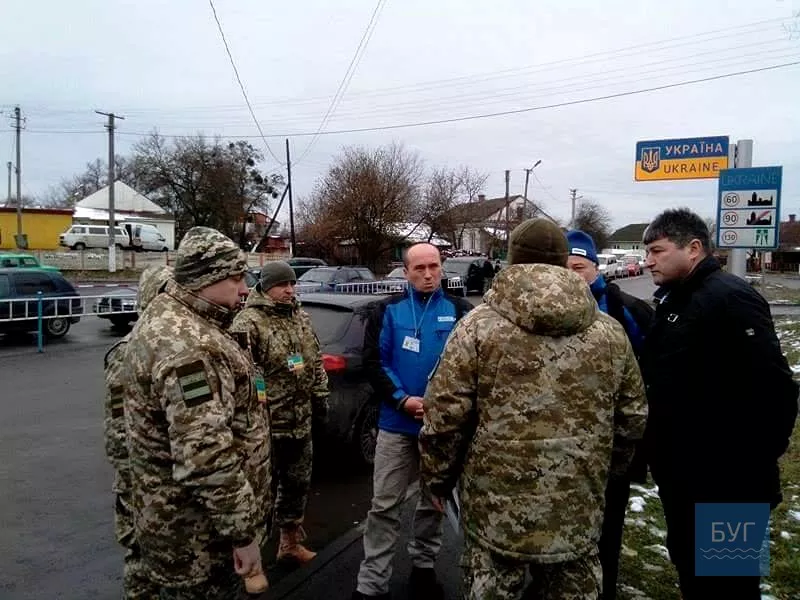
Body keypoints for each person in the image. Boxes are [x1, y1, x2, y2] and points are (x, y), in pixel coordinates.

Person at [419, 218, 648, 600]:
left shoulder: (476, 328)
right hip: (576, 505)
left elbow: (444, 415)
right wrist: (606, 472)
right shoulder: (608, 332)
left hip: (496, 512)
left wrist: (437, 479)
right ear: (562, 261)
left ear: (512, 260)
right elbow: (632, 416)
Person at [639, 208, 798, 600]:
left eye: (657, 251)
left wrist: (748, 465)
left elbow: (776, 390)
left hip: (730, 485)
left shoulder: (731, 298)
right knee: (694, 576)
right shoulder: (678, 299)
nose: (648, 261)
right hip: (685, 477)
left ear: (693, 249)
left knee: (729, 585)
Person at [122, 226, 272, 598]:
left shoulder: (173, 314)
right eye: (236, 277)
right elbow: (206, 456)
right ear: (206, 278)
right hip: (198, 538)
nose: (244, 288)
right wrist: (243, 534)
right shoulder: (191, 348)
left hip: (179, 525)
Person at [352, 242, 473, 600]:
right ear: (405, 272)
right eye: (418, 268)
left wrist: (441, 406)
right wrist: (402, 400)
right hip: (396, 425)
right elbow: (375, 362)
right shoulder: (386, 311)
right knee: (384, 505)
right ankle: (372, 583)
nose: (427, 274)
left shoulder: (460, 311)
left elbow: (466, 368)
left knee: (431, 501)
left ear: (442, 267)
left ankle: (423, 567)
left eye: (433, 266)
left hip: (440, 430)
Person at [566, 229, 653, 600]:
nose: (572, 275)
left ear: (595, 268)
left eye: (579, 267)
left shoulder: (627, 311)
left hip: (612, 444)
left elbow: (647, 378)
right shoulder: (555, 313)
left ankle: (603, 589)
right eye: (564, 267)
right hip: (568, 444)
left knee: (607, 528)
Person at [231, 261, 329, 566]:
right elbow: (247, 375)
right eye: (282, 285)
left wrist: (320, 397)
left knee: (297, 484)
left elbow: (314, 361)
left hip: (300, 421)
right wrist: (261, 408)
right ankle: (251, 562)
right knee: (260, 493)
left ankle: (289, 543)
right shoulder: (248, 322)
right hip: (268, 425)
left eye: (292, 284)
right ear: (266, 286)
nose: (289, 290)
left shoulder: (299, 316)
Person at [103, 264, 173, 599]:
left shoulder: (166, 341)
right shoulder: (132, 351)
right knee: (142, 562)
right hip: (140, 479)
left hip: (159, 478)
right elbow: (119, 429)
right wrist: (137, 478)